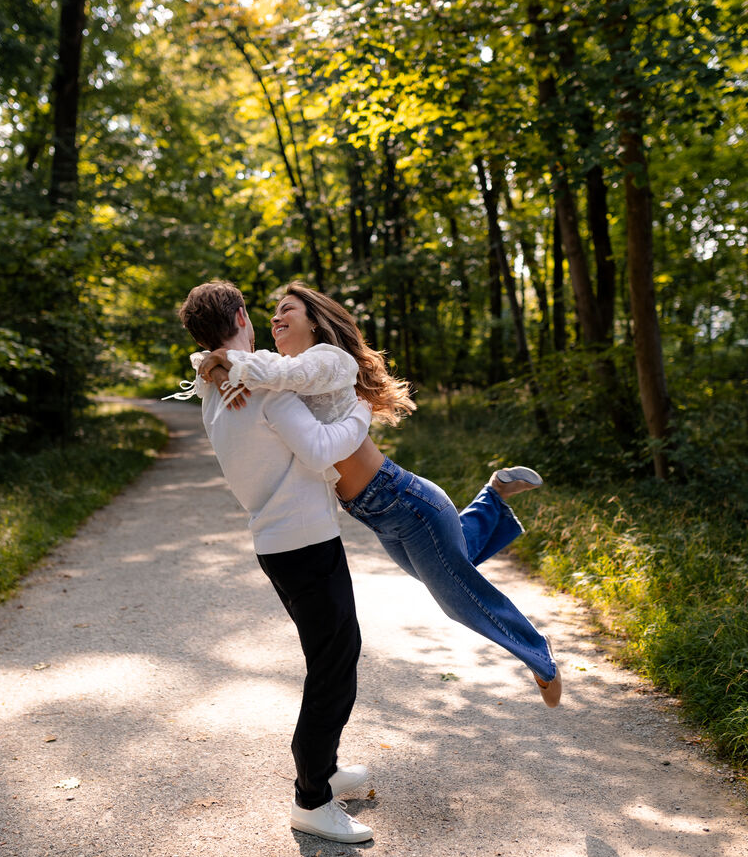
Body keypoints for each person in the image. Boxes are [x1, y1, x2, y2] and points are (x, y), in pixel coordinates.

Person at [196, 283, 562, 706]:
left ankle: (539, 656)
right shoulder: (285, 367)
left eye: (287, 310)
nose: (275, 318)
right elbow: (228, 364)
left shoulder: (327, 361)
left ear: (315, 319)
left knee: (456, 597)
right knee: (446, 566)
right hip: (376, 511)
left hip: (404, 501)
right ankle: (494, 495)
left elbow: (276, 373)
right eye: (271, 313)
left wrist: (226, 362)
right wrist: (217, 365)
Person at [175, 280, 376, 845]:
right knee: (333, 668)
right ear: (242, 315)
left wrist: (220, 363)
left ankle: (326, 770)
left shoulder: (215, 384)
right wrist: (360, 411)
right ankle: (311, 799)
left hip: (279, 544)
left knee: (333, 656)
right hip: (305, 541)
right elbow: (318, 449)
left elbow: (208, 362)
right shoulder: (260, 387)